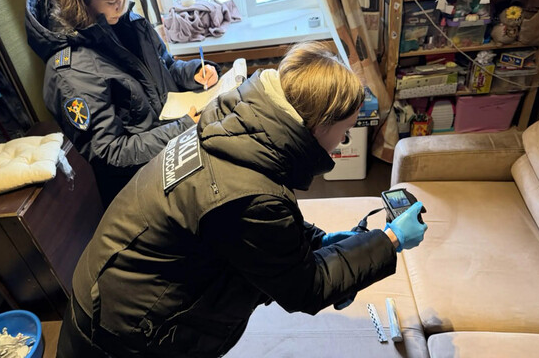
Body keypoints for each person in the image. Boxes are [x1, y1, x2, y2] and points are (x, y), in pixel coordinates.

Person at [56, 41, 428, 357]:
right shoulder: (250, 196)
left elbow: (258, 234)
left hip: (109, 283)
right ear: (319, 126)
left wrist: (320, 241)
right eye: (343, 133)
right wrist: (389, 240)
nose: (341, 143)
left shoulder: (233, 127)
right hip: (124, 327)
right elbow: (306, 287)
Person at [25, 0, 219, 206]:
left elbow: (167, 66)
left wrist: (195, 73)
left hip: (177, 143)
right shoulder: (70, 72)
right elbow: (110, 152)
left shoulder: (130, 23)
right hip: (142, 183)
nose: (121, 5)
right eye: (112, 2)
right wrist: (181, 128)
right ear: (82, 2)